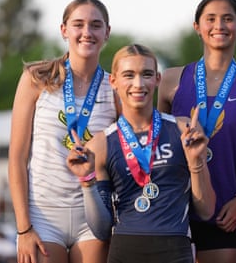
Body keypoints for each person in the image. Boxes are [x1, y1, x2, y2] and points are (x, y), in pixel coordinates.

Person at [67, 44, 216, 263]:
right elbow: (101, 230)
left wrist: (196, 163)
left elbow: (206, 211)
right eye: (129, 75)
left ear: (157, 79)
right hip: (125, 251)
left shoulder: (183, 130)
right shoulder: (100, 144)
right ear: (114, 81)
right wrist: (87, 181)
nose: (138, 84)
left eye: (146, 74)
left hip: (175, 250)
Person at [157, 0, 236, 263]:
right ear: (197, 27)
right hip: (173, 210)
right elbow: (156, 146)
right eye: (210, 19)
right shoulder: (171, 80)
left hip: (224, 213)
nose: (219, 26)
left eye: (228, 19)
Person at [8, 0, 117, 263]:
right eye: (78, 24)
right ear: (64, 30)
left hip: (93, 214)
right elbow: (17, 158)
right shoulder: (37, 79)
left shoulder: (115, 88)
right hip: (43, 215)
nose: (87, 32)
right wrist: (23, 228)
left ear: (107, 32)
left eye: (95, 25)